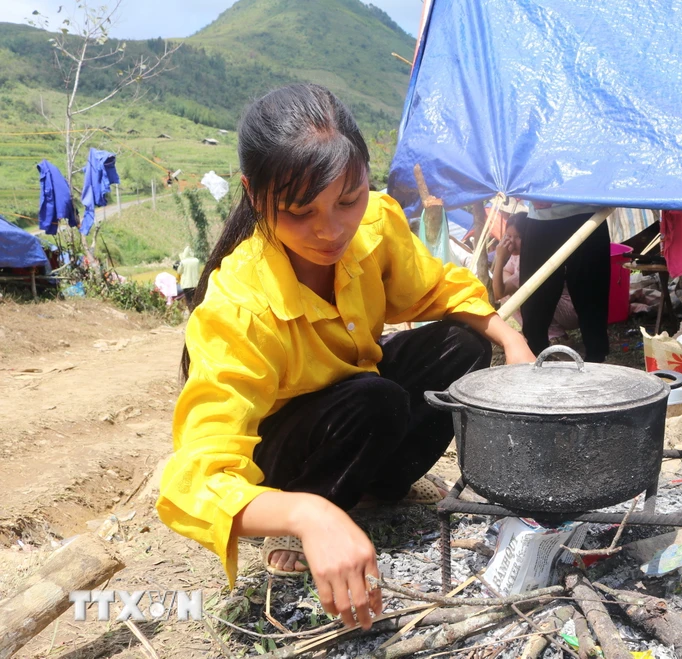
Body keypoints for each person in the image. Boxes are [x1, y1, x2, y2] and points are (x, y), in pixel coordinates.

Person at [155, 84, 534, 631]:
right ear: (253, 194)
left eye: (346, 200)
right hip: (289, 451)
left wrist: (512, 340)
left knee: (463, 344)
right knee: (374, 399)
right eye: (299, 212)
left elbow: (438, 291)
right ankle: (309, 511)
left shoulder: (376, 226)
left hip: (361, 408)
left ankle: (373, 489)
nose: (330, 230)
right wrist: (304, 513)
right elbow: (194, 477)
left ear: (364, 181)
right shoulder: (239, 305)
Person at [519, 202, 610, 362]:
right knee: (535, 296)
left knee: (592, 293)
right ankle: (535, 357)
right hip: (542, 219)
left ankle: (597, 359)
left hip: (589, 213)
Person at [492, 213, 579, 342]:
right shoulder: (518, 255)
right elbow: (506, 271)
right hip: (558, 307)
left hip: (569, 311)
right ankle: (544, 331)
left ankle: (552, 334)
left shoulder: (531, 258)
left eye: (518, 237)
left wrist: (499, 258)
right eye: (509, 236)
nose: (511, 242)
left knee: (517, 292)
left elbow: (498, 293)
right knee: (509, 290)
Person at [176, 246, 201, 311]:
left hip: (186, 285)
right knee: (195, 299)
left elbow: (179, 271)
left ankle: (191, 312)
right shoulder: (197, 261)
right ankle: (196, 312)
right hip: (195, 284)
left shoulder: (183, 262)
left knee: (188, 300)